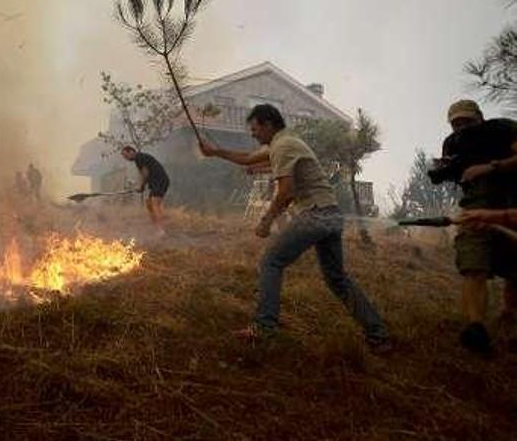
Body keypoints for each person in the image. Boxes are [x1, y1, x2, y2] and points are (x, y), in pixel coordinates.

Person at [199, 104, 390, 349]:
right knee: (337, 279)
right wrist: (215, 152)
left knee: (271, 261)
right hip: (330, 215)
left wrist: (266, 220)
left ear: (268, 125)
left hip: (314, 215)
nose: (253, 134)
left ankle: (264, 327)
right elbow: (247, 158)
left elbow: (286, 192)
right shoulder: (285, 143)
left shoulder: (283, 146)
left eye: (255, 129)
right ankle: (378, 334)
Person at [432, 99, 517, 355]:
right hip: (473, 212)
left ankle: (509, 316)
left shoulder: (502, 129)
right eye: (456, 123)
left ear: (480, 116)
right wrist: (445, 169)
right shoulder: (452, 143)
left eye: (467, 121)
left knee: (514, 271)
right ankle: (476, 329)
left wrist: (491, 167)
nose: (461, 127)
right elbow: (455, 173)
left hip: (510, 206)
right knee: (473, 266)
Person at [120, 145, 170, 236]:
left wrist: (141, 186)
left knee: (154, 203)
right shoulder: (139, 159)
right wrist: (142, 187)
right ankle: (157, 228)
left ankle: (161, 230)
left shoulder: (139, 157)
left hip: (160, 180)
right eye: (124, 157)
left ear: (131, 151)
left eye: (125, 155)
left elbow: (145, 173)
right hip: (155, 182)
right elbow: (145, 173)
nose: (125, 158)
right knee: (149, 204)